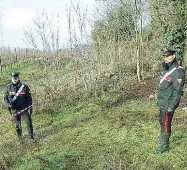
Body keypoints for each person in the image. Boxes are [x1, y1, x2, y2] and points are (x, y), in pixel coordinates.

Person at [154, 49, 185, 153]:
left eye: (168, 56)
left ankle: (165, 146)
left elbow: (178, 92)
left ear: (174, 55)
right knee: (162, 121)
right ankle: (162, 140)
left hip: (168, 104)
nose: (166, 58)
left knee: (166, 123)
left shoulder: (178, 71)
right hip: (163, 101)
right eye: (165, 56)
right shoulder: (168, 67)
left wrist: (172, 106)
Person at [4, 70, 35, 142]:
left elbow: (29, 98)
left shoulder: (24, 87)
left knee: (29, 123)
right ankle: (20, 138)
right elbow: (5, 98)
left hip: (24, 109)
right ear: (11, 78)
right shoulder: (8, 88)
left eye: (16, 78)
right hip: (15, 110)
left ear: (18, 78)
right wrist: (8, 104)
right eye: (13, 78)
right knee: (17, 125)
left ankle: (31, 137)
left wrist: (30, 107)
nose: (14, 79)